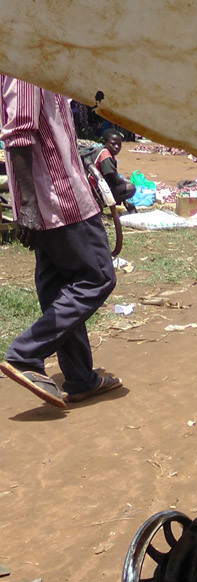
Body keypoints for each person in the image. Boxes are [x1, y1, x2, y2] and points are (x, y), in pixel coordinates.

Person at [0, 77, 121, 407]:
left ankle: (81, 378)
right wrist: (27, 205)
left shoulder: (37, 66)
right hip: (60, 199)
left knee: (58, 288)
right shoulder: (25, 67)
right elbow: (18, 134)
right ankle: (25, 354)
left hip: (48, 201)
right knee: (98, 277)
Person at [91, 129, 137, 211]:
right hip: (95, 193)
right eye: (113, 144)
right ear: (104, 143)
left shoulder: (99, 151)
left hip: (92, 190)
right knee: (130, 188)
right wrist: (125, 183)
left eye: (119, 145)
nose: (117, 147)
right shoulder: (105, 154)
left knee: (121, 186)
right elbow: (113, 179)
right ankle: (100, 204)